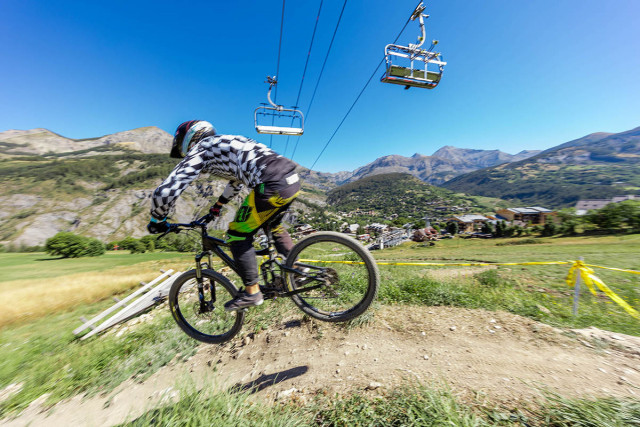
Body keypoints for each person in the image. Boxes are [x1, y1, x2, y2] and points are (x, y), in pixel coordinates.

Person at [146, 120, 300, 311]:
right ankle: (299, 269)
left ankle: (252, 292)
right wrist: (217, 206)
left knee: (237, 234)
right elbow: (236, 182)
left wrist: (157, 220)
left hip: (270, 183)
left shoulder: (201, 149)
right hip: (290, 179)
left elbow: (166, 190)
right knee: (273, 226)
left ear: (189, 139)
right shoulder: (225, 143)